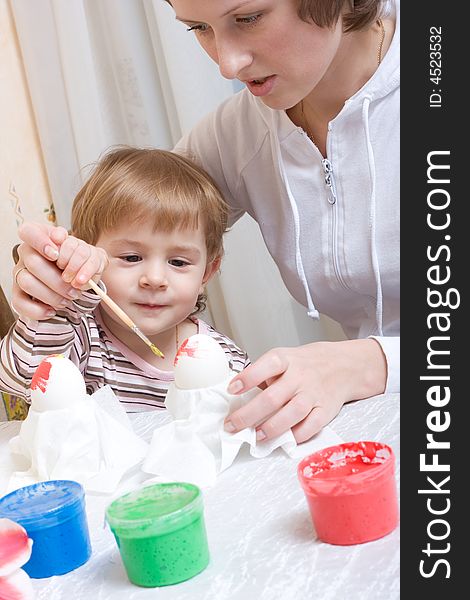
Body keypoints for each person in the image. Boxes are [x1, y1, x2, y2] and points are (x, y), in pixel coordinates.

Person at [11, 0, 399, 442]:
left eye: (248, 18)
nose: (227, 66)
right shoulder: (235, 134)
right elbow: (134, 218)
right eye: (198, 27)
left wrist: (374, 362)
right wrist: (55, 268)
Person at [1, 147, 249, 411]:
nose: (154, 279)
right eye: (131, 258)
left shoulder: (226, 360)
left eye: (178, 262)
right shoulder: (81, 338)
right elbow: (23, 378)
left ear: (207, 273)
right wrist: (65, 295)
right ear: (91, 258)